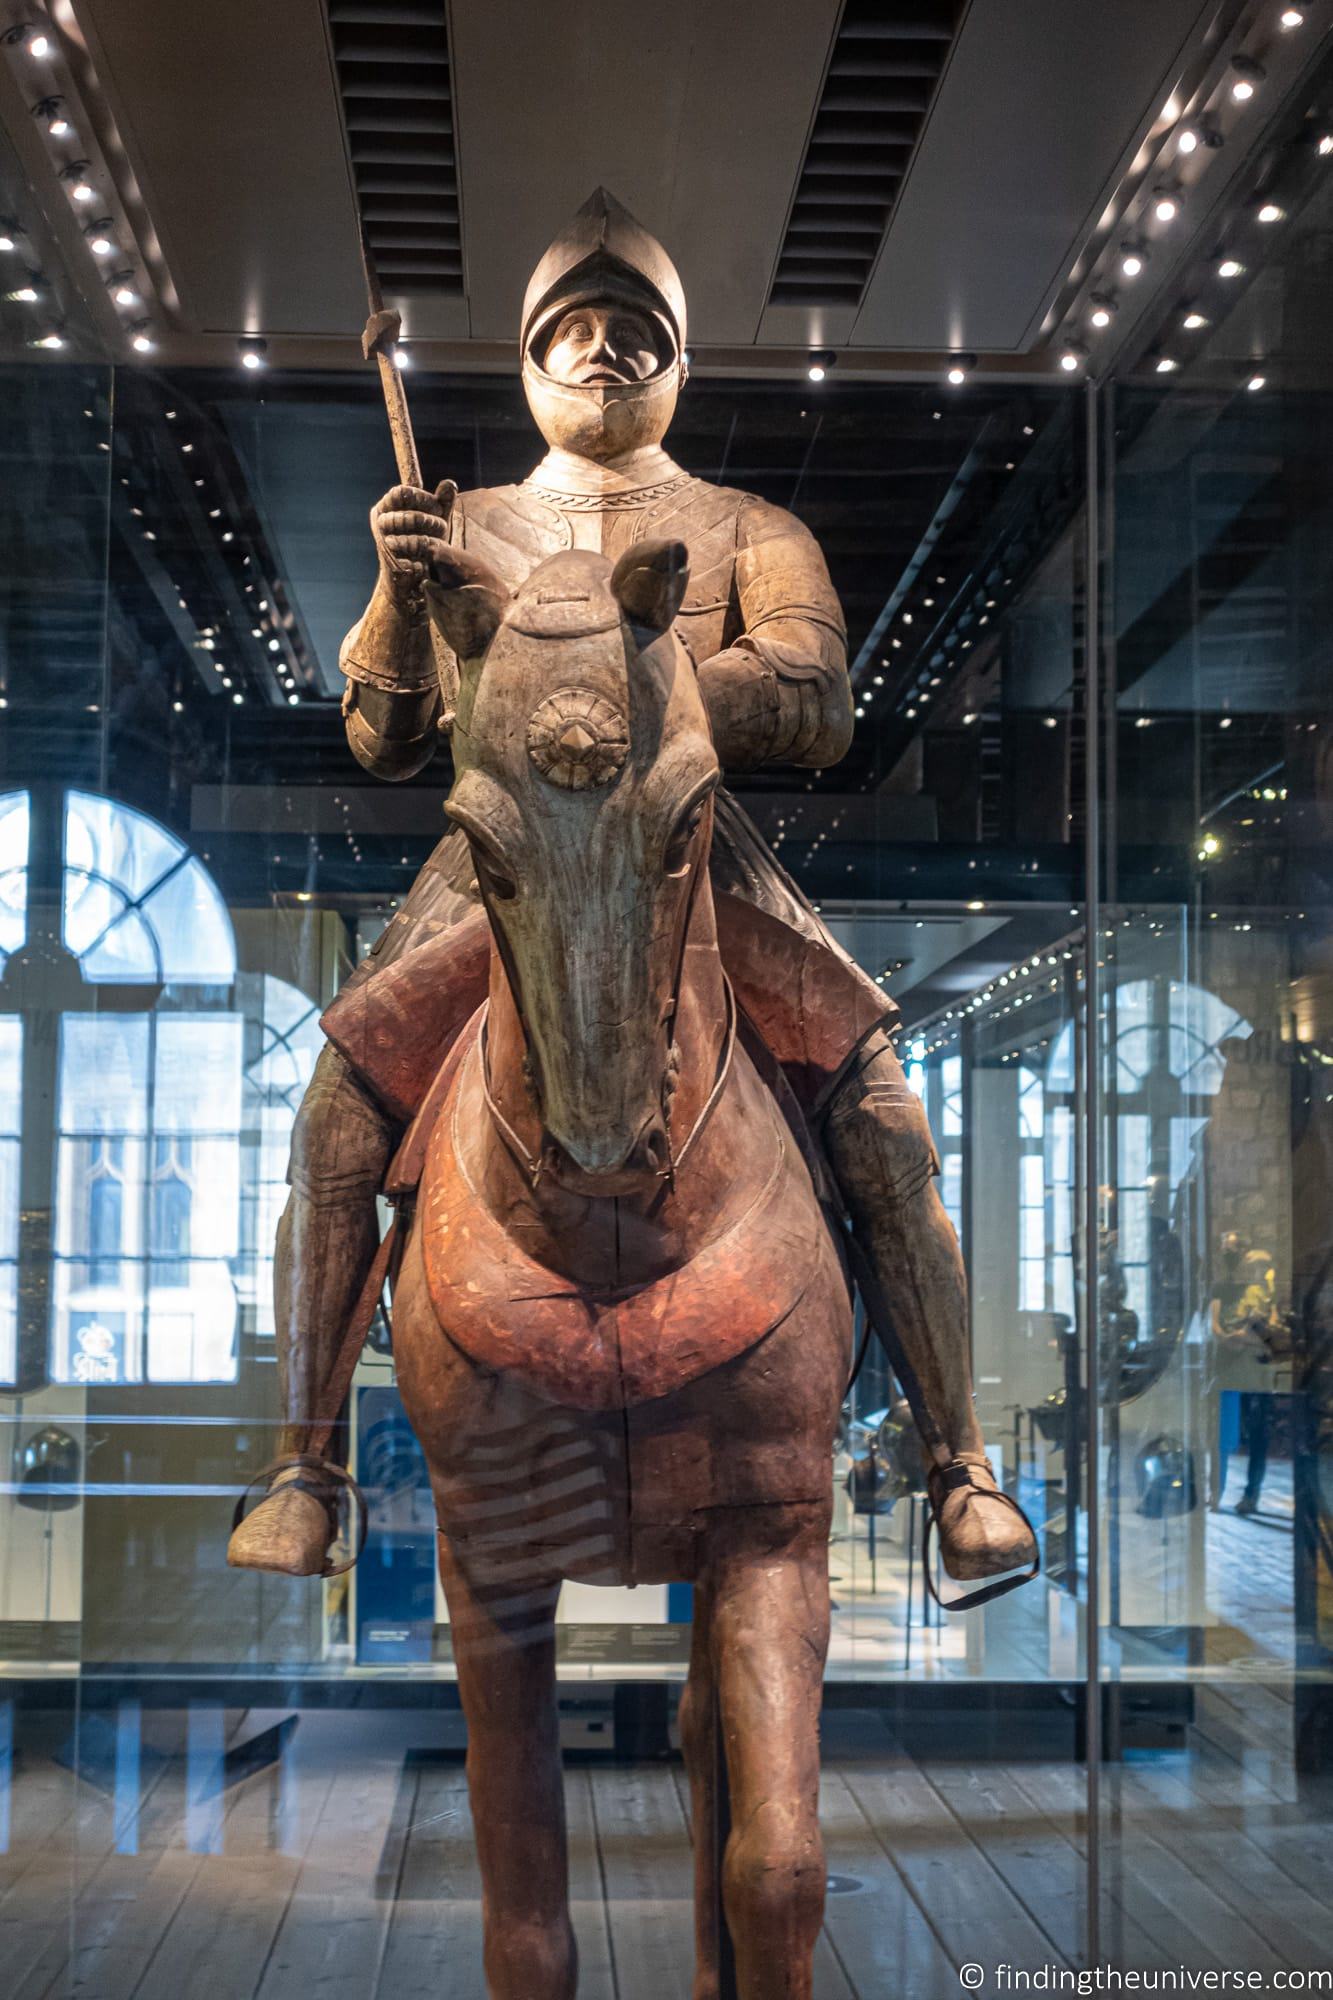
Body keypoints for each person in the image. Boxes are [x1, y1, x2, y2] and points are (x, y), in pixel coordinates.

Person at [227, 190, 1036, 1591]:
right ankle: (305, 1462)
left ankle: (956, 1455)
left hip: (691, 859)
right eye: (576, 330)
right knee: (336, 1118)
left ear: (676, 361)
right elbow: (383, 735)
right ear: (534, 358)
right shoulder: (464, 519)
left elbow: (817, 696)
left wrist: (619, 689)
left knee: (885, 1120)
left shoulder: (742, 526)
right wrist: (396, 584)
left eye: (631, 332)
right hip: (499, 876)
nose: (602, 351)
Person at [1209, 1233, 1281, 1515]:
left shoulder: (1266, 1293)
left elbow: (1270, 1337)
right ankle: (1216, 1492)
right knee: (1223, 1436)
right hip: (1229, 1372)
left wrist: (1241, 1337)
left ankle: (1251, 1494)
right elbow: (1217, 1332)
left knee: (1258, 1434)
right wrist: (1241, 1337)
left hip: (1256, 1375)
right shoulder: (1222, 1288)